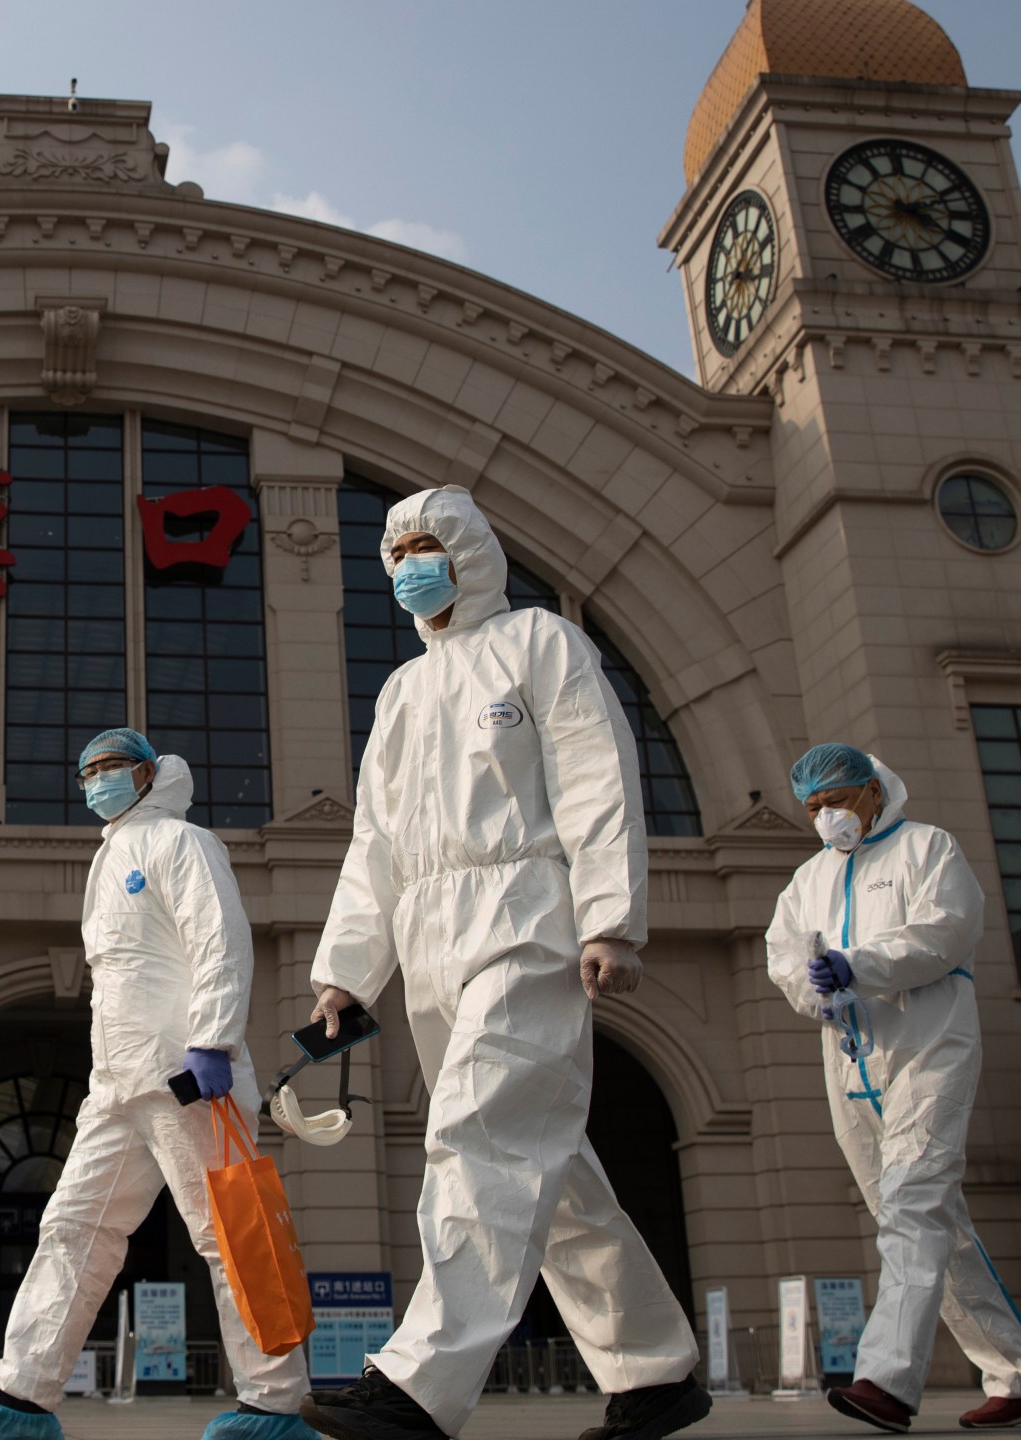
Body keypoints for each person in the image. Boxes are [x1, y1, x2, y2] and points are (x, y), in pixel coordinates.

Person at [299, 487, 708, 1440]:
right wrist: (347, 972)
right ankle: (655, 1371)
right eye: (394, 551)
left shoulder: (542, 644)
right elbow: (377, 844)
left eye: (425, 544)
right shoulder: (403, 691)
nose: (407, 565)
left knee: (479, 1135)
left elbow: (599, 777)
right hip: (432, 933)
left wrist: (610, 919)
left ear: (472, 550)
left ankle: (421, 1382)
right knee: (548, 1164)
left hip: (530, 914)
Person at [0, 730, 315, 1440]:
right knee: (73, 1224)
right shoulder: (108, 858)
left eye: (111, 768)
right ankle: (23, 1393)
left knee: (229, 1232)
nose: (98, 781)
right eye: (88, 772)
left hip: (186, 1073)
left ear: (146, 772)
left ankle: (276, 1402)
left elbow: (219, 940)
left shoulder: (183, 841)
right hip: (116, 1085)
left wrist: (214, 1040)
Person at [764, 744, 1021, 1432]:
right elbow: (783, 958)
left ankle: (886, 1381)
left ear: (871, 791)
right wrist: (812, 988)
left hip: (929, 1049)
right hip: (850, 1058)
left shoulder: (928, 849)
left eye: (835, 801)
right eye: (813, 808)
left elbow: (946, 932)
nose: (826, 817)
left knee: (911, 1204)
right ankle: (1019, 1378)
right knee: (930, 1225)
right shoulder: (807, 879)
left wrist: (856, 964)